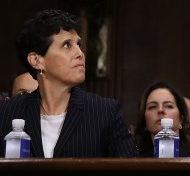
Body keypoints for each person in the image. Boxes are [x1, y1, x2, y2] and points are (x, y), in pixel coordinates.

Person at [0, 9, 136, 157]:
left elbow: (132, 169)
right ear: (36, 60)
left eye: (78, 44)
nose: (80, 53)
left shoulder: (105, 112)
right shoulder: (7, 113)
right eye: (67, 45)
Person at [133, 81, 190, 157]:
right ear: (144, 120)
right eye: (153, 107)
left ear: (181, 120)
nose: (160, 110)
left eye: (168, 106)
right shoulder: (135, 158)